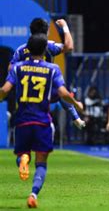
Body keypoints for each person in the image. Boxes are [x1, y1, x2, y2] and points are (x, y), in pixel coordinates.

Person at [0, 34, 83, 208]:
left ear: (28, 50)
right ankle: (33, 194)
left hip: (22, 121)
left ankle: (23, 160)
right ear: (45, 50)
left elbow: (4, 90)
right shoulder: (52, 68)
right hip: (42, 122)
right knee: (41, 163)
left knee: (24, 154)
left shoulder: (18, 68)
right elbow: (63, 94)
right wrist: (77, 104)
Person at [9, 18, 74, 68]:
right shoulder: (50, 46)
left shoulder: (21, 49)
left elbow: (10, 68)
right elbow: (69, 46)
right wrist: (65, 26)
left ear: (31, 30)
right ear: (47, 32)